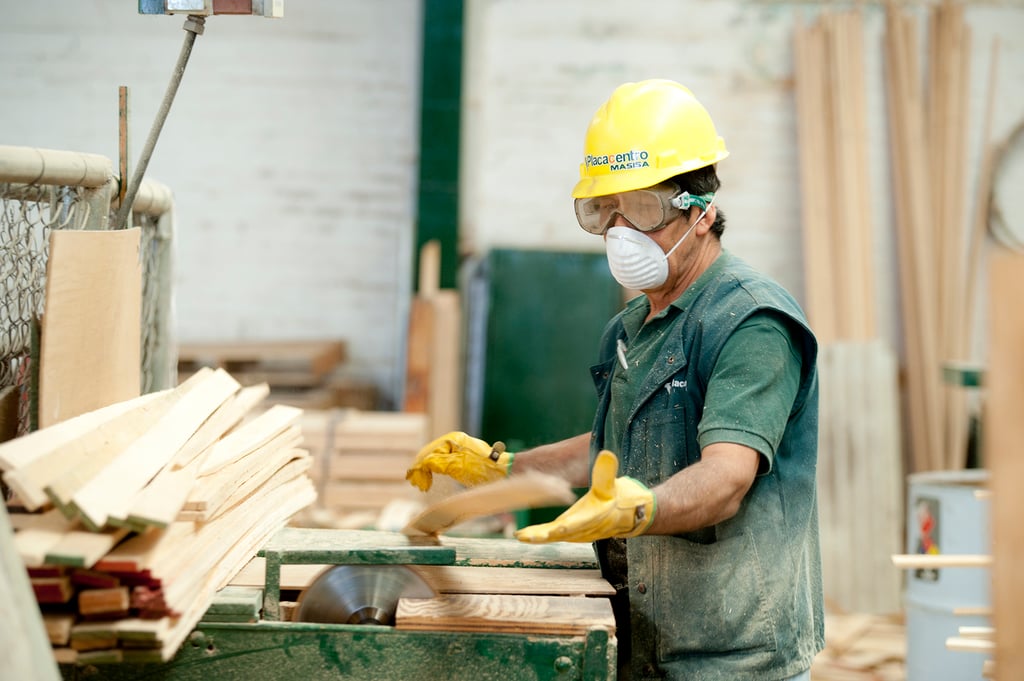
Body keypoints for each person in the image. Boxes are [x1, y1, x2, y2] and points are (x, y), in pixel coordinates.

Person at [405, 79, 823, 681]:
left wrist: (640, 509)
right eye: (605, 210)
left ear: (701, 211)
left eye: (644, 210)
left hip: (732, 656)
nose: (621, 232)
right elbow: (615, 449)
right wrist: (506, 471)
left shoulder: (752, 322)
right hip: (645, 639)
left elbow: (727, 477)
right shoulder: (632, 327)